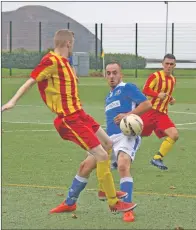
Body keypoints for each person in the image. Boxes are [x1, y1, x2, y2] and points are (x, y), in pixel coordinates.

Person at [1, 29, 136, 214]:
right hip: (68, 119)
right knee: (102, 156)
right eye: (73, 44)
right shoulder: (50, 61)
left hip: (80, 114)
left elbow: (64, 76)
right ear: (68, 44)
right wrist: (12, 101)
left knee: (108, 143)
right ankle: (113, 201)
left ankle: (103, 189)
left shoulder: (65, 62)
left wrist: (72, 75)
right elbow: (31, 80)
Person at [102, 62, 152, 222]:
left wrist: (127, 115)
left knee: (123, 165)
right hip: (110, 139)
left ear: (120, 74)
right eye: (108, 73)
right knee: (88, 165)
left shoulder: (127, 87)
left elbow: (147, 104)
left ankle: (127, 208)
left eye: (114, 73)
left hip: (126, 135)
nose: (111, 76)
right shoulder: (108, 97)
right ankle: (70, 201)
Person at [141, 53, 179, 170]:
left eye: (171, 64)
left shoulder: (173, 79)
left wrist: (170, 99)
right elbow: (145, 90)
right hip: (149, 111)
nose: (168, 66)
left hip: (162, 114)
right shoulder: (155, 76)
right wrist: (157, 94)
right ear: (162, 64)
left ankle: (157, 158)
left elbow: (166, 94)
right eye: (166, 63)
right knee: (132, 135)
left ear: (174, 66)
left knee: (174, 135)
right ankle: (116, 158)